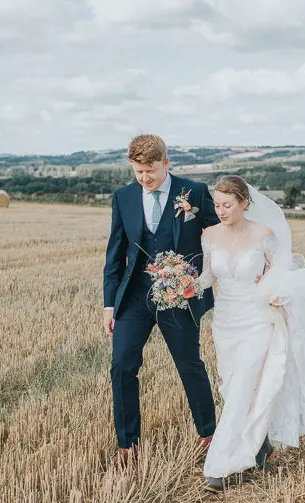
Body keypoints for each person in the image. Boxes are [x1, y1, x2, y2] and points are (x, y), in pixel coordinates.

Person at [196, 176, 305, 493]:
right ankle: (261, 444)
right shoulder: (209, 235)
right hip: (226, 321)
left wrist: (276, 293)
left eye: (227, 205)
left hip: (257, 317)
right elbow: (206, 278)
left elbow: (281, 272)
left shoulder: (264, 235)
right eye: (216, 205)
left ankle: (219, 466)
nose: (221, 211)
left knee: (246, 382)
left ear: (244, 202)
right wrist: (181, 286)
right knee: (232, 387)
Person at [102, 134, 219, 467]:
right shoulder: (123, 197)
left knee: (189, 365)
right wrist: (109, 305)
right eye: (138, 172)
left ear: (166, 163)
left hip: (178, 296)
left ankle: (209, 435)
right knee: (122, 366)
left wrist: (200, 278)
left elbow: (217, 237)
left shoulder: (193, 193)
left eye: (150, 171)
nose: (144, 179)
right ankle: (127, 444)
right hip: (134, 297)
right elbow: (115, 254)